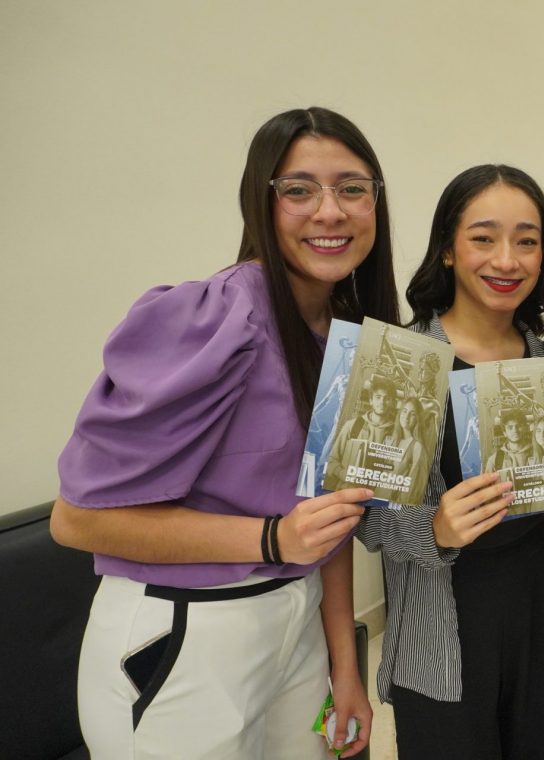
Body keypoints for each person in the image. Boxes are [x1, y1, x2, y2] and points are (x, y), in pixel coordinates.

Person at [49, 107, 397, 758]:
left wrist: (345, 668)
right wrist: (272, 537)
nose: (330, 212)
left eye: (352, 188)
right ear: (260, 203)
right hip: (186, 630)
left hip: (296, 625)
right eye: (299, 189)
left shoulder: (345, 339)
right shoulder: (214, 318)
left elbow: (328, 520)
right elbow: (75, 521)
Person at [355, 164, 544, 760]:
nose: (507, 260)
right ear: (448, 250)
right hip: (440, 626)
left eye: (526, 241)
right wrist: (433, 528)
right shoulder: (401, 359)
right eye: (483, 238)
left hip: (535, 610)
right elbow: (365, 518)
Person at [324, 374, 399, 489]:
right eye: (378, 397)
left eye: (387, 398)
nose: (382, 402)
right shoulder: (352, 425)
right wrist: (342, 474)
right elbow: (331, 461)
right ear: (371, 400)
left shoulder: (397, 434)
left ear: (393, 402)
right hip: (343, 491)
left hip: (373, 495)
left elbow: (395, 472)